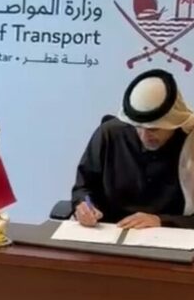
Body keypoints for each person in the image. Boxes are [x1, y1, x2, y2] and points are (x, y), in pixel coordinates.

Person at [72, 68, 194, 229]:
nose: (144, 136)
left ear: (174, 122)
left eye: (153, 129)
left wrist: (161, 220)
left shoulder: (190, 141)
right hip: (108, 231)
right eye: (138, 127)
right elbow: (84, 188)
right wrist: (83, 205)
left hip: (170, 234)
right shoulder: (110, 134)